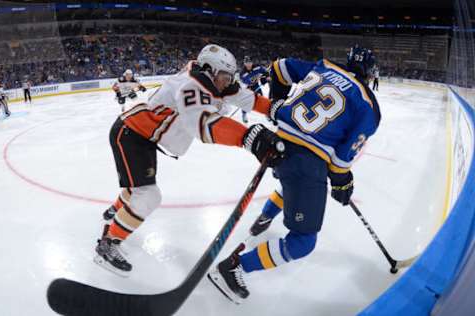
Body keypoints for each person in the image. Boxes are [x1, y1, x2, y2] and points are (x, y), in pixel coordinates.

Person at [208, 46, 381, 303]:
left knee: (289, 187)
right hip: (305, 161)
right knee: (303, 242)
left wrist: (278, 102)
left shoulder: (325, 66)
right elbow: (342, 159)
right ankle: (234, 267)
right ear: (368, 72)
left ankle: (265, 218)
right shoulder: (369, 106)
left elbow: (279, 67)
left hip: (277, 144)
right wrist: (343, 183)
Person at [95, 44, 285, 276]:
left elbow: (250, 100)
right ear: (209, 70)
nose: (228, 81)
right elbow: (202, 124)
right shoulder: (190, 85)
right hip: (131, 133)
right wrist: (248, 138)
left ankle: (115, 211)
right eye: (225, 77)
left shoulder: (213, 80)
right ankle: (108, 243)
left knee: (138, 186)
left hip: (142, 135)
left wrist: (278, 110)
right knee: (148, 194)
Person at [239, 56, 269, 123]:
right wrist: (248, 86)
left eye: (250, 62)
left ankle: (266, 114)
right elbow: (243, 83)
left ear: (252, 62)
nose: (248, 64)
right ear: (244, 63)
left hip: (256, 85)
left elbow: (264, 71)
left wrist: (266, 77)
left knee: (262, 99)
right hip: (247, 87)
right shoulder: (243, 73)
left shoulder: (257, 67)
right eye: (247, 63)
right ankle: (244, 114)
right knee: (246, 102)